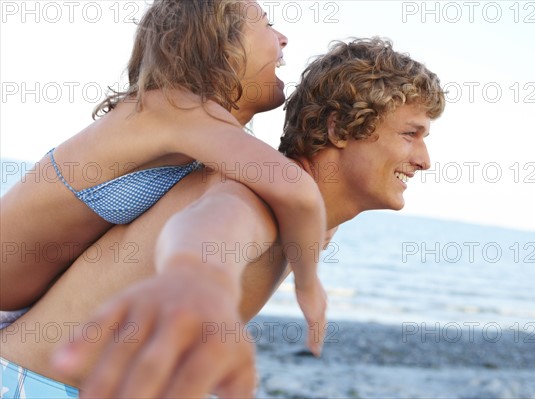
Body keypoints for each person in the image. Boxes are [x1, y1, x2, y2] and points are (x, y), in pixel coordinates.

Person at [0, 37, 445, 398]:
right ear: (337, 128)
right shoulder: (260, 193)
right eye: (410, 135)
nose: (423, 160)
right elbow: (215, 225)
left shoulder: (312, 221)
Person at [0, 0, 328, 356]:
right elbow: (297, 190)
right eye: (266, 25)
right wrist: (308, 285)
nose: (283, 38)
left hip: (26, 317)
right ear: (221, 45)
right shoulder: (174, 108)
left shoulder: (195, 136)